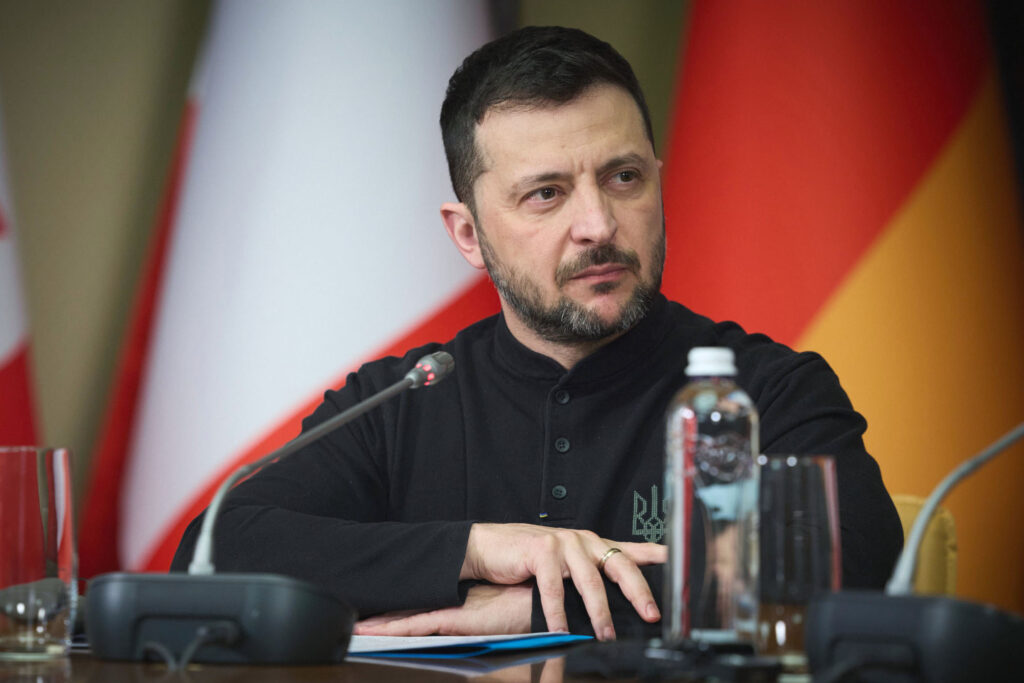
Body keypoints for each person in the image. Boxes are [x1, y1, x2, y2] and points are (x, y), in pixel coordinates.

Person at [171, 26, 902, 641]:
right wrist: (476, 549)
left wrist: (536, 610)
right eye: (546, 194)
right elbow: (213, 549)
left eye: (623, 178)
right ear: (468, 234)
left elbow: (848, 565)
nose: (599, 225)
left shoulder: (766, 388)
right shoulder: (402, 399)